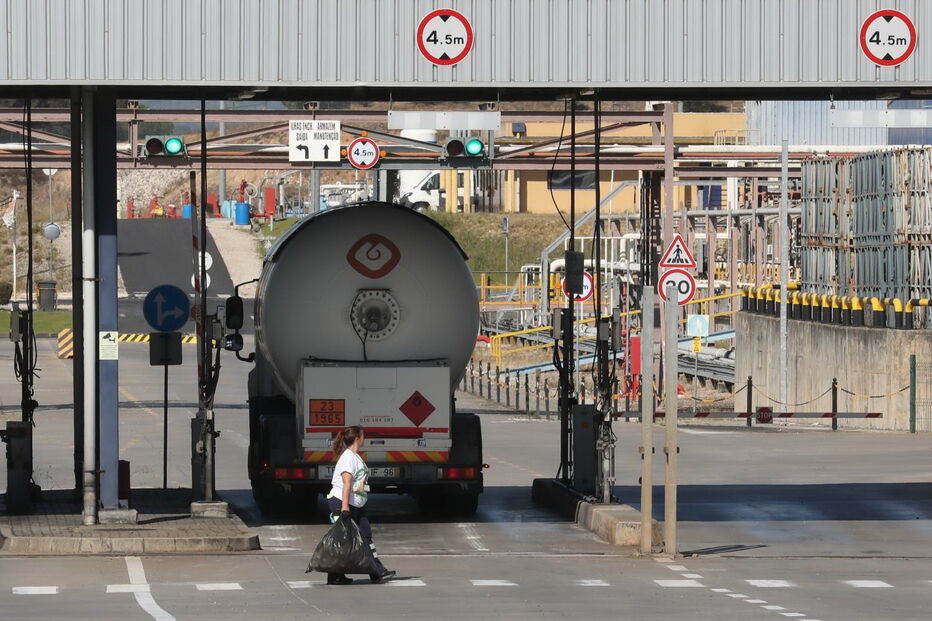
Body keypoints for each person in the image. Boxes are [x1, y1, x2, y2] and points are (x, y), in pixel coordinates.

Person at [325, 425, 396, 585]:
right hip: (343, 503)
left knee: (365, 535)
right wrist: (344, 508)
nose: (365, 438)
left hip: (355, 503)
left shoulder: (355, 456)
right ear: (357, 438)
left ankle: (376, 572)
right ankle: (335, 575)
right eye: (363, 435)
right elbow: (346, 482)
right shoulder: (348, 458)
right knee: (344, 540)